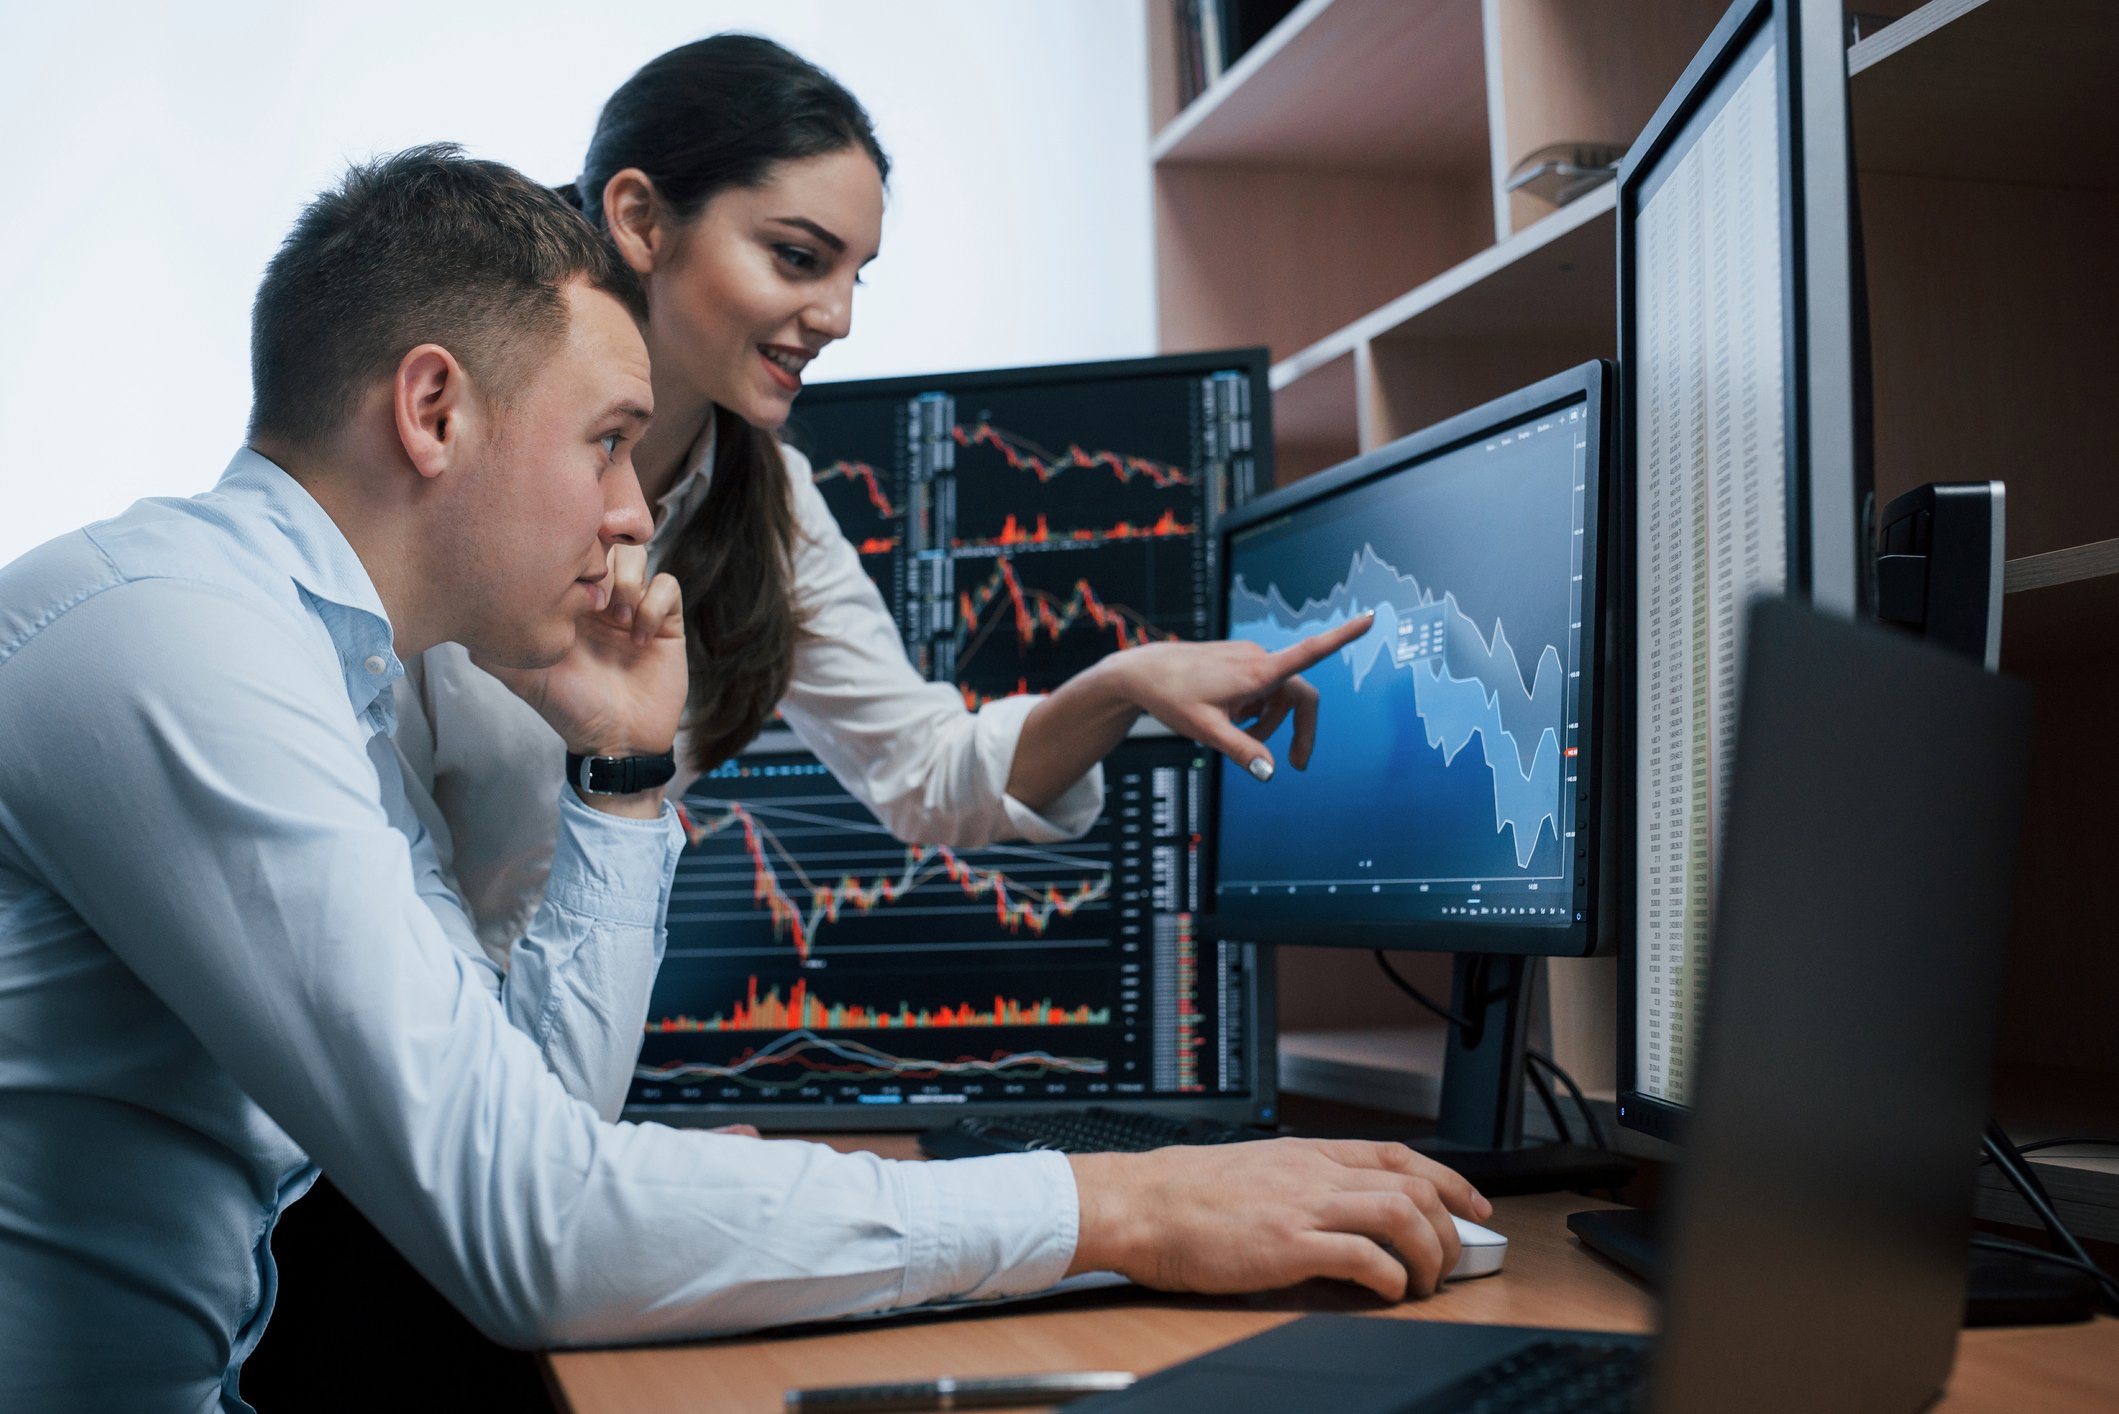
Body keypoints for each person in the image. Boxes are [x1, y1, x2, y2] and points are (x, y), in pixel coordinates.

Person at [0, 145, 1487, 1412]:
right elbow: (529, 1228)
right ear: (434, 409)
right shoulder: (174, 642)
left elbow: (536, 1125)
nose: (637, 509)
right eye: (606, 441)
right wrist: (1122, 1201)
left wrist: (625, 776)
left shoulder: (315, 665)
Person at [398, 33, 1372, 962]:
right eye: (796, 256)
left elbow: (928, 775)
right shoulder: (447, 446)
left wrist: (1121, 683)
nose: (837, 317)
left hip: (527, 1082)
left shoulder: (764, 503)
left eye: (854, 274)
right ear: (642, 219)